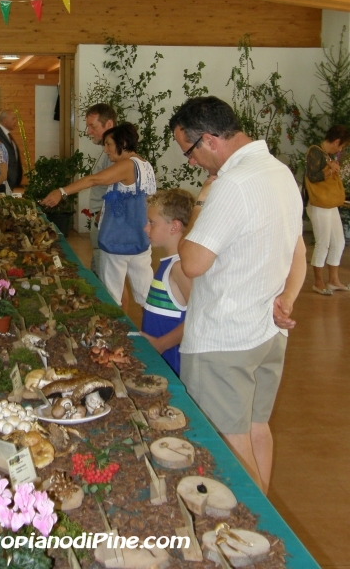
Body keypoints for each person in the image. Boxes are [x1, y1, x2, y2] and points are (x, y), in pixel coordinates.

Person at [170, 96, 305, 493]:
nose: (192, 163)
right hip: (267, 333)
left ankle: (252, 528)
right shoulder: (279, 171)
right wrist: (288, 299)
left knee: (228, 442)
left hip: (224, 338)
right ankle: (265, 521)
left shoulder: (231, 184)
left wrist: (198, 202)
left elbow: (192, 261)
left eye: (189, 153)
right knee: (255, 427)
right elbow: (298, 249)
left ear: (210, 140)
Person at [42, 123, 155, 307]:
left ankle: (116, 332)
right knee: (146, 296)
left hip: (118, 242)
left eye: (109, 144)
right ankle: (153, 331)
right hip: (140, 241)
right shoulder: (145, 165)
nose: (106, 150)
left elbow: (94, 179)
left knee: (111, 297)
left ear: (124, 143)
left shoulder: (128, 164)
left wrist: (61, 191)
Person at [140, 189, 195, 376]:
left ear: (174, 227)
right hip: (159, 360)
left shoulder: (179, 267)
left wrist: (160, 345)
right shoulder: (168, 264)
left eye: (152, 223)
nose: (146, 228)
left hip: (171, 363)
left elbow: (198, 317)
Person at [304, 124, 350, 294]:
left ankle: (333, 280)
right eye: (343, 146)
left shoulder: (325, 155)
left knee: (338, 241)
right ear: (337, 141)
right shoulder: (315, 151)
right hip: (318, 205)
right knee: (323, 242)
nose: (342, 149)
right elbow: (313, 176)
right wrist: (331, 171)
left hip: (329, 204)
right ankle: (318, 282)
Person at [84, 103, 117, 275]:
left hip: (104, 221)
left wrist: (101, 214)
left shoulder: (114, 154)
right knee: (101, 272)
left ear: (109, 125)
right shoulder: (106, 151)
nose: (89, 131)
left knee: (107, 277)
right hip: (101, 220)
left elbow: (118, 189)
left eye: (92, 126)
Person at [0, 110, 23, 190]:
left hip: (10, 179)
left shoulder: (7, 135)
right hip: (2, 180)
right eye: (13, 119)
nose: (16, 121)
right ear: (4, 120)